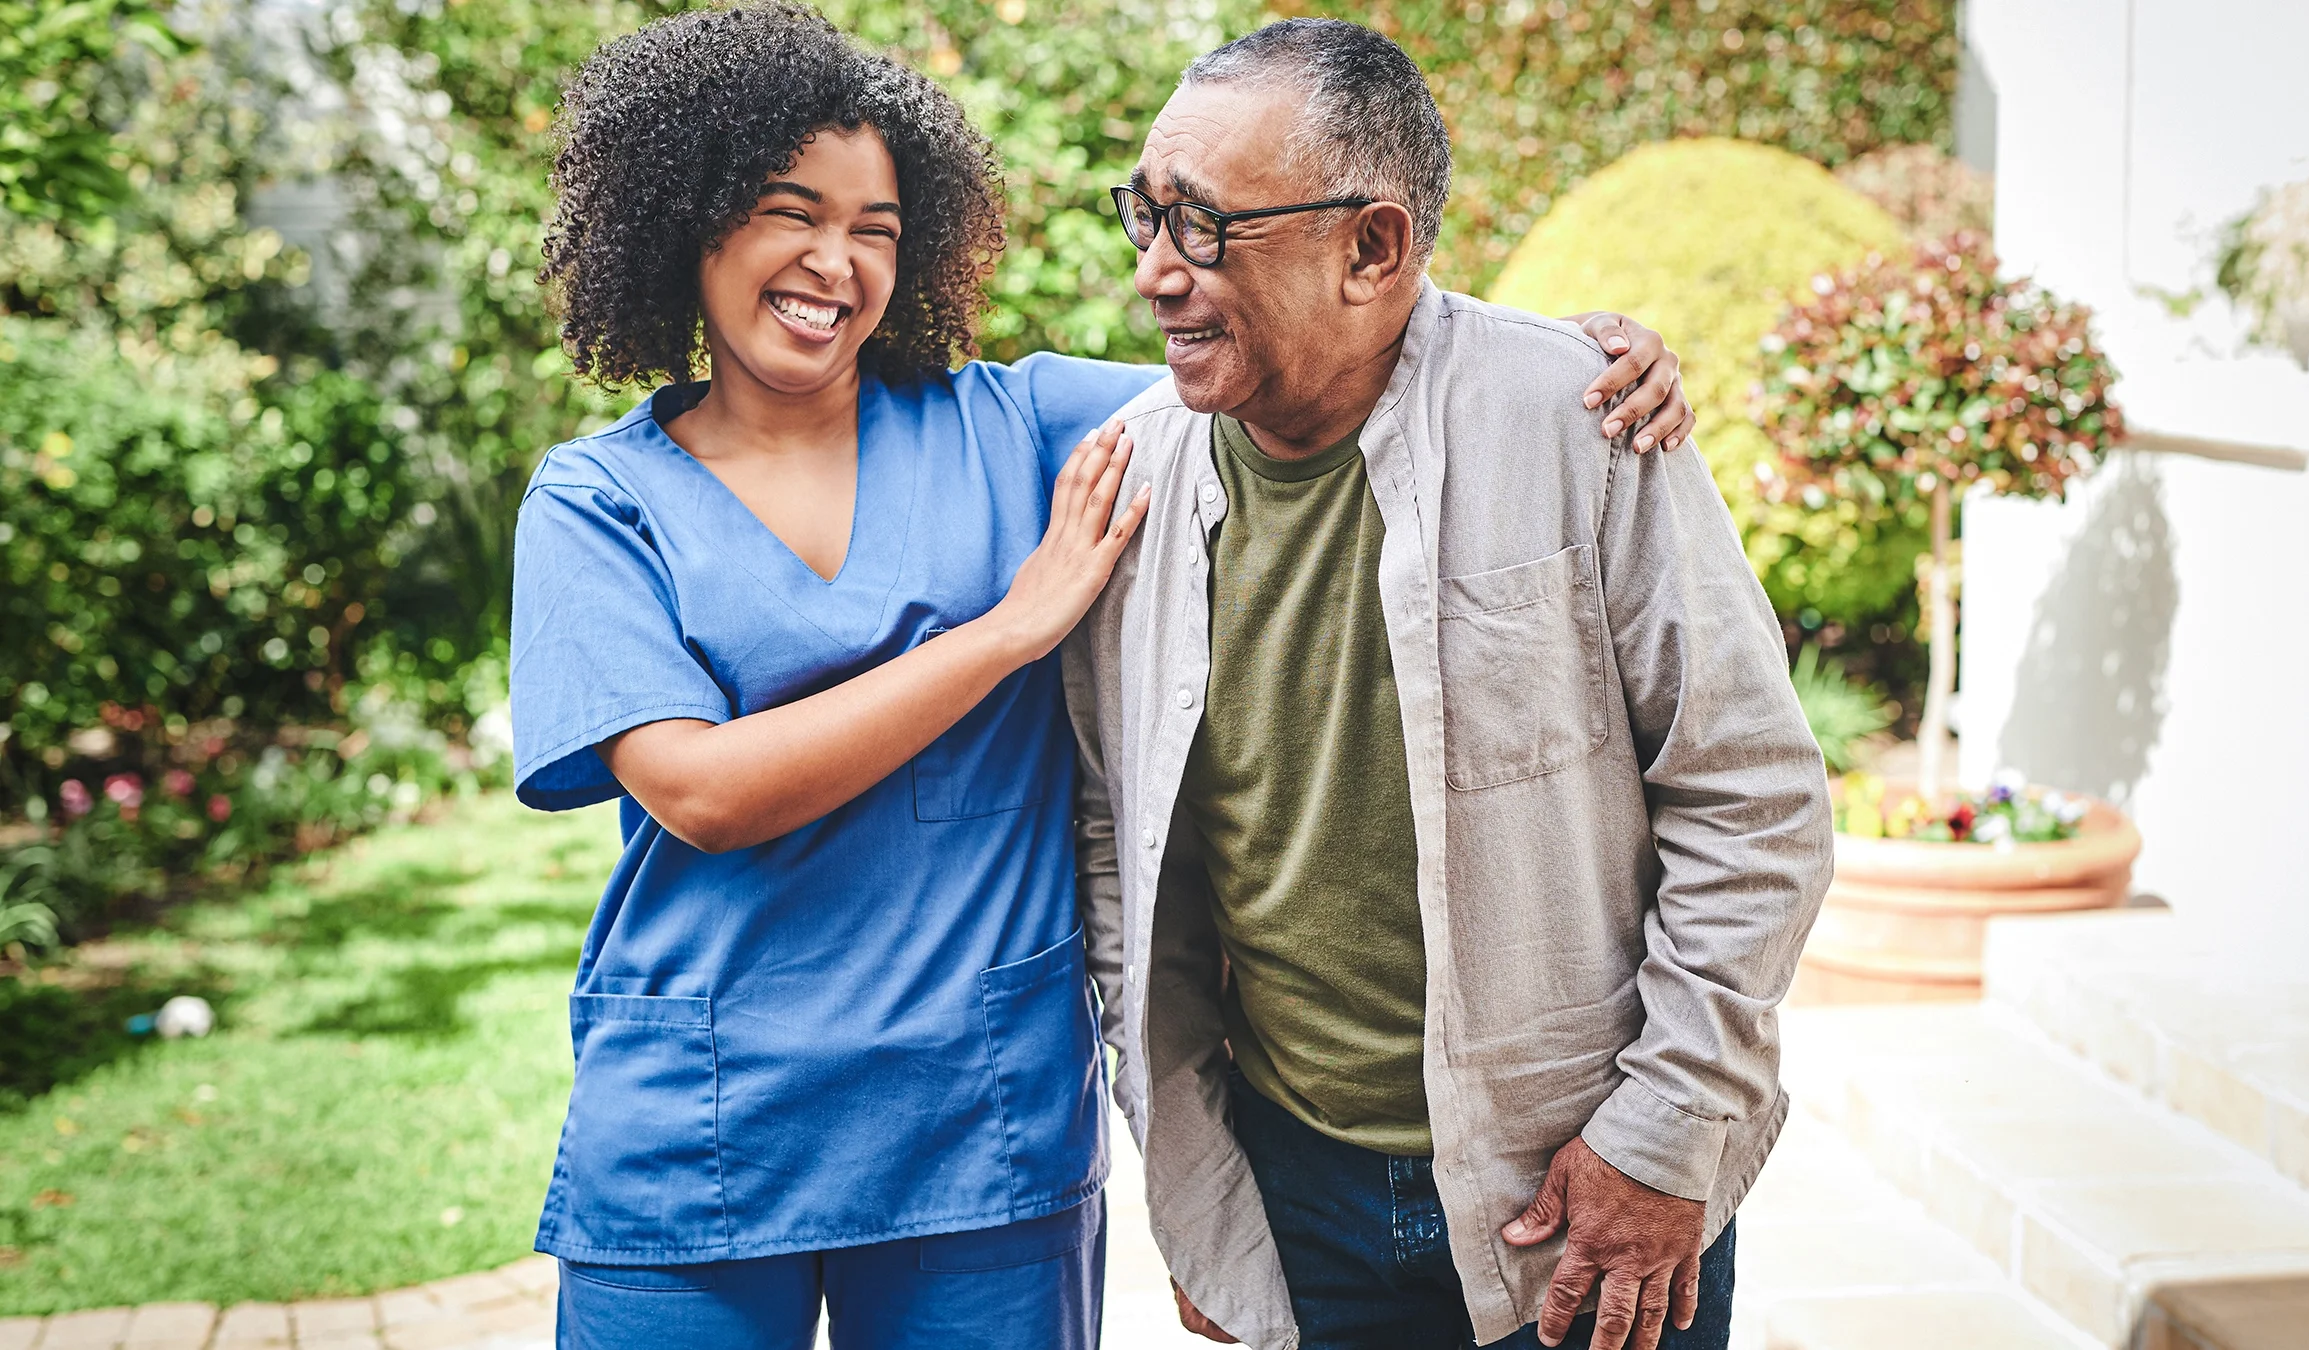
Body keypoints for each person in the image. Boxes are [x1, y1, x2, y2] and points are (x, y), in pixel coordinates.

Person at [507, 6, 1692, 1349]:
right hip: (698, 1145)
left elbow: (1309, 344)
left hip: (978, 1143)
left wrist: (1567, 357)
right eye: (793, 213)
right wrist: (1011, 629)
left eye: (878, 229)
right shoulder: (597, 502)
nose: (835, 262)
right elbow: (701, 789)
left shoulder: (1024, 428)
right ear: (692, 217)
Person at [1064, 19, 1835, 1350]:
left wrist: (1664, 1133)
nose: (1154, 274)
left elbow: (1755, 802)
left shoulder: (1580, 420)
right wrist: (1201, 1185)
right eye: (1147, 215)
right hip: (1298, 1195)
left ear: (1376, 246)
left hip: (1586, 1186)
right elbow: (1115, 850)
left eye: (1203, 230)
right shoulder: (1126, 478)